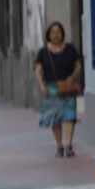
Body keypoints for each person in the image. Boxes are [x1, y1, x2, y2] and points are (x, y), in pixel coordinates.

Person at [35, 21, 83, 157]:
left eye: (58, 32)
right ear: (48, 35)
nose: (56, 35)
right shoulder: (43, 52)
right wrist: (41, 86)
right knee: (55, 118)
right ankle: (59, 146)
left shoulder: (70, 49)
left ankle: (69, 145)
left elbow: (78, 65)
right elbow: (38, 71)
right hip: (51, 89)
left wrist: (73, 77)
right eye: (53, 32)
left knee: (69, 116)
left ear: (62, 33)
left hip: (68, 88)